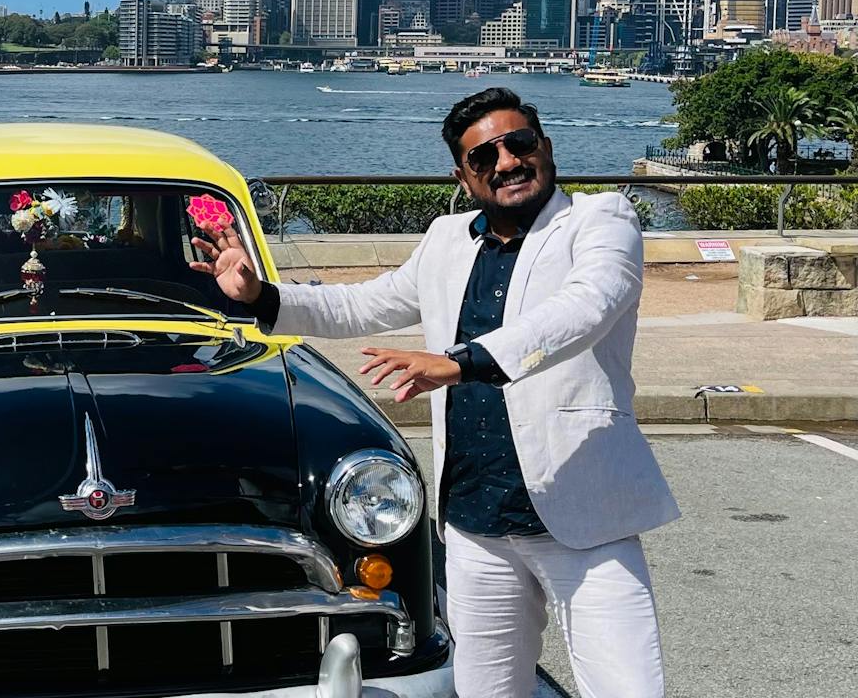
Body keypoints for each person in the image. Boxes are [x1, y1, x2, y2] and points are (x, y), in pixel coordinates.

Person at [191, 87, 678, 698]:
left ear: (545, 146)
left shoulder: (599, 219)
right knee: (486, 691)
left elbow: (587, 307)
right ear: (463, 174)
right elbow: (363, 303)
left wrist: (463, 361)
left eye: (518, 143)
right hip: (475, 521)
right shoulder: (448, 238)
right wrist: (260, 296)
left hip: (583, 513)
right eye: (484, 157)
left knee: (627, 688)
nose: (505, 162)